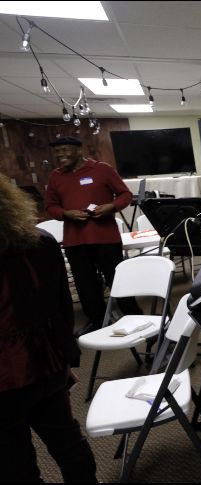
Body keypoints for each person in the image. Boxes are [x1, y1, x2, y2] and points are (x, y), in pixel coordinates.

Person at [0, 175, 98, 482]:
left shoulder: (39, 243)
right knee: (69, 446)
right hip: (44, 364)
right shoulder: (40, 241)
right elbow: (62, 311)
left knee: (15, 466)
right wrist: (63, 359)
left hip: (13, 376)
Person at [44, 136, 143, 336]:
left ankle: (134, 315)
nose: (60, 155)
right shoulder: (55, 177)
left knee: (117, 278)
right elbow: (50, 206)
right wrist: (65, 214)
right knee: (85, 284)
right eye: (57, 152)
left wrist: (110, 207)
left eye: (65, 150)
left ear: (79, 150)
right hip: (74, 240)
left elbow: (125, 195)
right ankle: (97, 320)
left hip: (105, 237)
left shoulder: (102, 169)